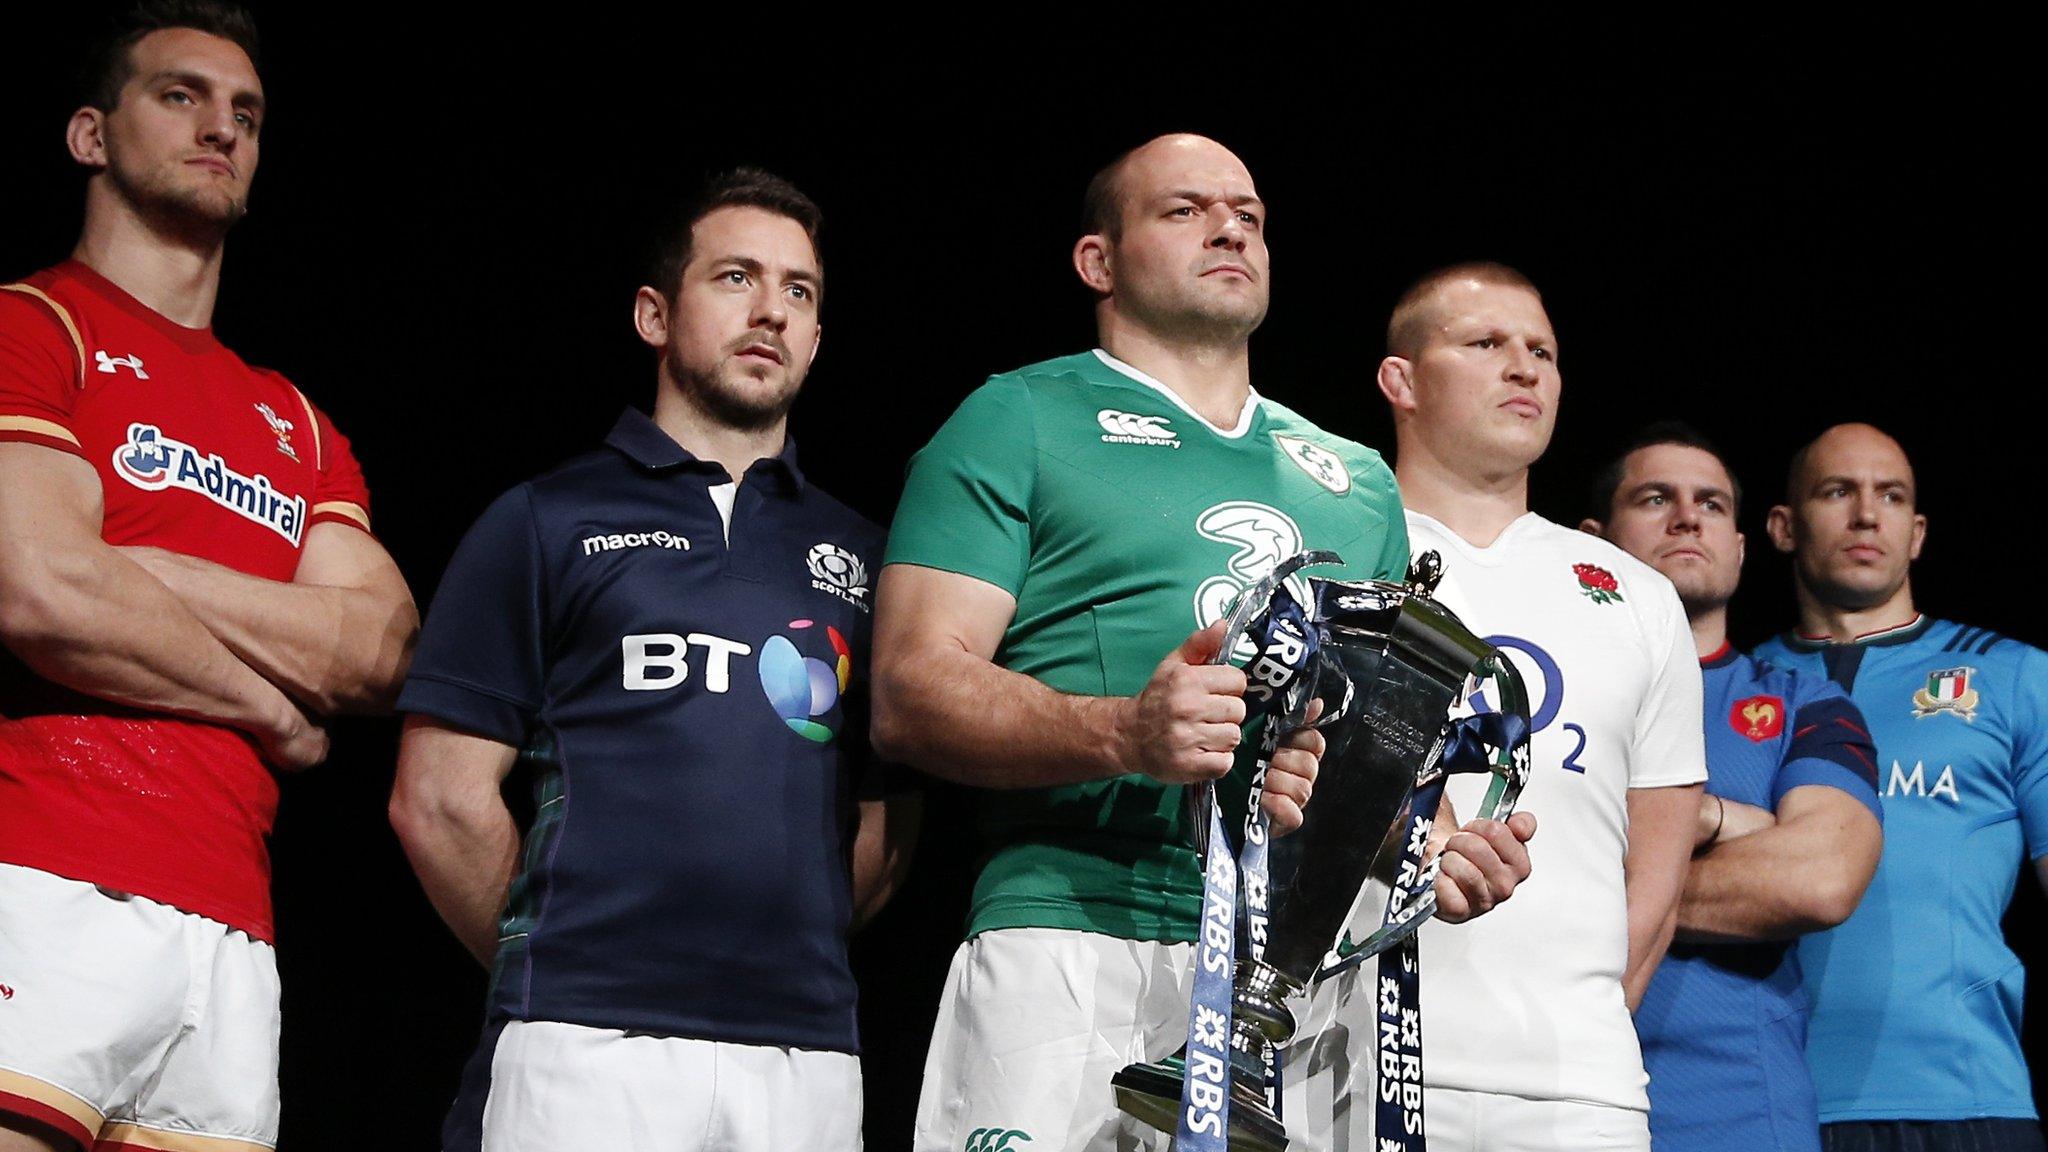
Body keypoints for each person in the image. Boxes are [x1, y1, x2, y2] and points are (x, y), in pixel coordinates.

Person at [871, 134, 1537, 1152]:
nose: (1229, 226)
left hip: (1296, 996)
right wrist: (1119, 733)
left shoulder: (1355, 480)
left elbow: (1383, 767)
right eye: (1183, 210)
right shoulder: (1016, 418)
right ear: (1097, 260)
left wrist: (1437, 853)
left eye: (1248, 214)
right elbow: (909, 692)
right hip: (1074, 941)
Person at [387, 168, 917, 1152]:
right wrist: (568, 967)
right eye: (734, 278)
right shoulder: (542, 518)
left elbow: (885, 825)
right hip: (584, 1046)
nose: (770, 310)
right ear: (652, 314)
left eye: (798, 292)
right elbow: (436, 799)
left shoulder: (874, 557)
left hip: (804, 1058)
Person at [0, 5, 416, 1151]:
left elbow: (384, 650)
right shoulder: (33, 327)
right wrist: (266, 701)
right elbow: (39, 592)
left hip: (232, 928)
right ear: (91, 135)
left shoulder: (294, 421)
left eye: (245, 113)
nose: (220, 127)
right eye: (179, 96)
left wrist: (136, 565)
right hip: (40, 873)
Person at [1283, 263, 1706, 1152]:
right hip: (1338, 1060)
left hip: (1574, 1091)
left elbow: (1658, 883)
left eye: (1542, 352)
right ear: (1400, 380)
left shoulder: (1638, 597)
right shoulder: (1328, 561)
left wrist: (1573, 1040)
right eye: (1486, 345)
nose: (1525, 369)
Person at [1584, 423, 1883, 1152]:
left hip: (1741, 1114)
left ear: (1743, 547)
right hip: (1548, 1098)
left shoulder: (1805, 704)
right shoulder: (1537, 693)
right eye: (1657, 498)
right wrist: (1749, 828)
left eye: (1713, 504)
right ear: (1590, 541)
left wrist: (1699, 819)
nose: (1689, 517)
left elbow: (1820, 877)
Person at [1753, 422, 2048, 1152]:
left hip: (1966, 1097)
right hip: (1767, 1101)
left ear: (1916, 534)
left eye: (1890, 496)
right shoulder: (1731, 686)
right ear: (1784, 527)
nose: (1865, 514)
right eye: (1838, 491)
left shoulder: (2017, 676)